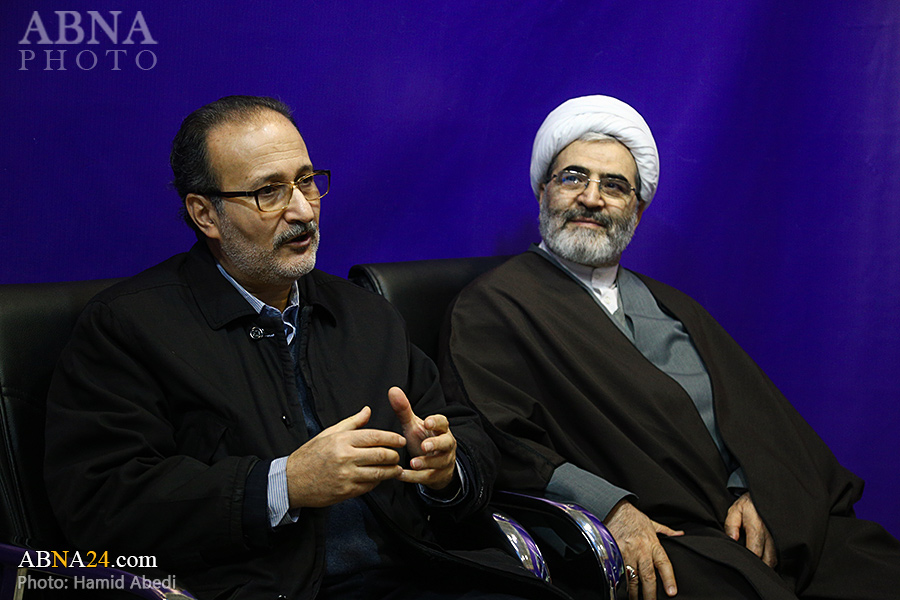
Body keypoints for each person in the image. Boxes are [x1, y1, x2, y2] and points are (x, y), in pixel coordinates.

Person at [44, 95, 563, 600]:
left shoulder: (366, 314)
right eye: (268, 191)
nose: (301, 210)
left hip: (418, 571)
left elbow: (461, 430)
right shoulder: (129, 327)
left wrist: (446, 470)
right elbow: (101, 503)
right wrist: (284, 485)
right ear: (205, 214)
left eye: (307, 181)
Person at [439, 95, 900, 600]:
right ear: (543, 191)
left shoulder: (674, 306)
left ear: (637, 210)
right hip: (660, 531)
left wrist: (759, 490)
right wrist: (611, 508)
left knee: (875, 568)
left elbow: (762, 420)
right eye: (573, 178)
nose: (591, 198)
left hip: (753, 519)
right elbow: (500, 439)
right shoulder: (493, 306)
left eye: (614, 186)